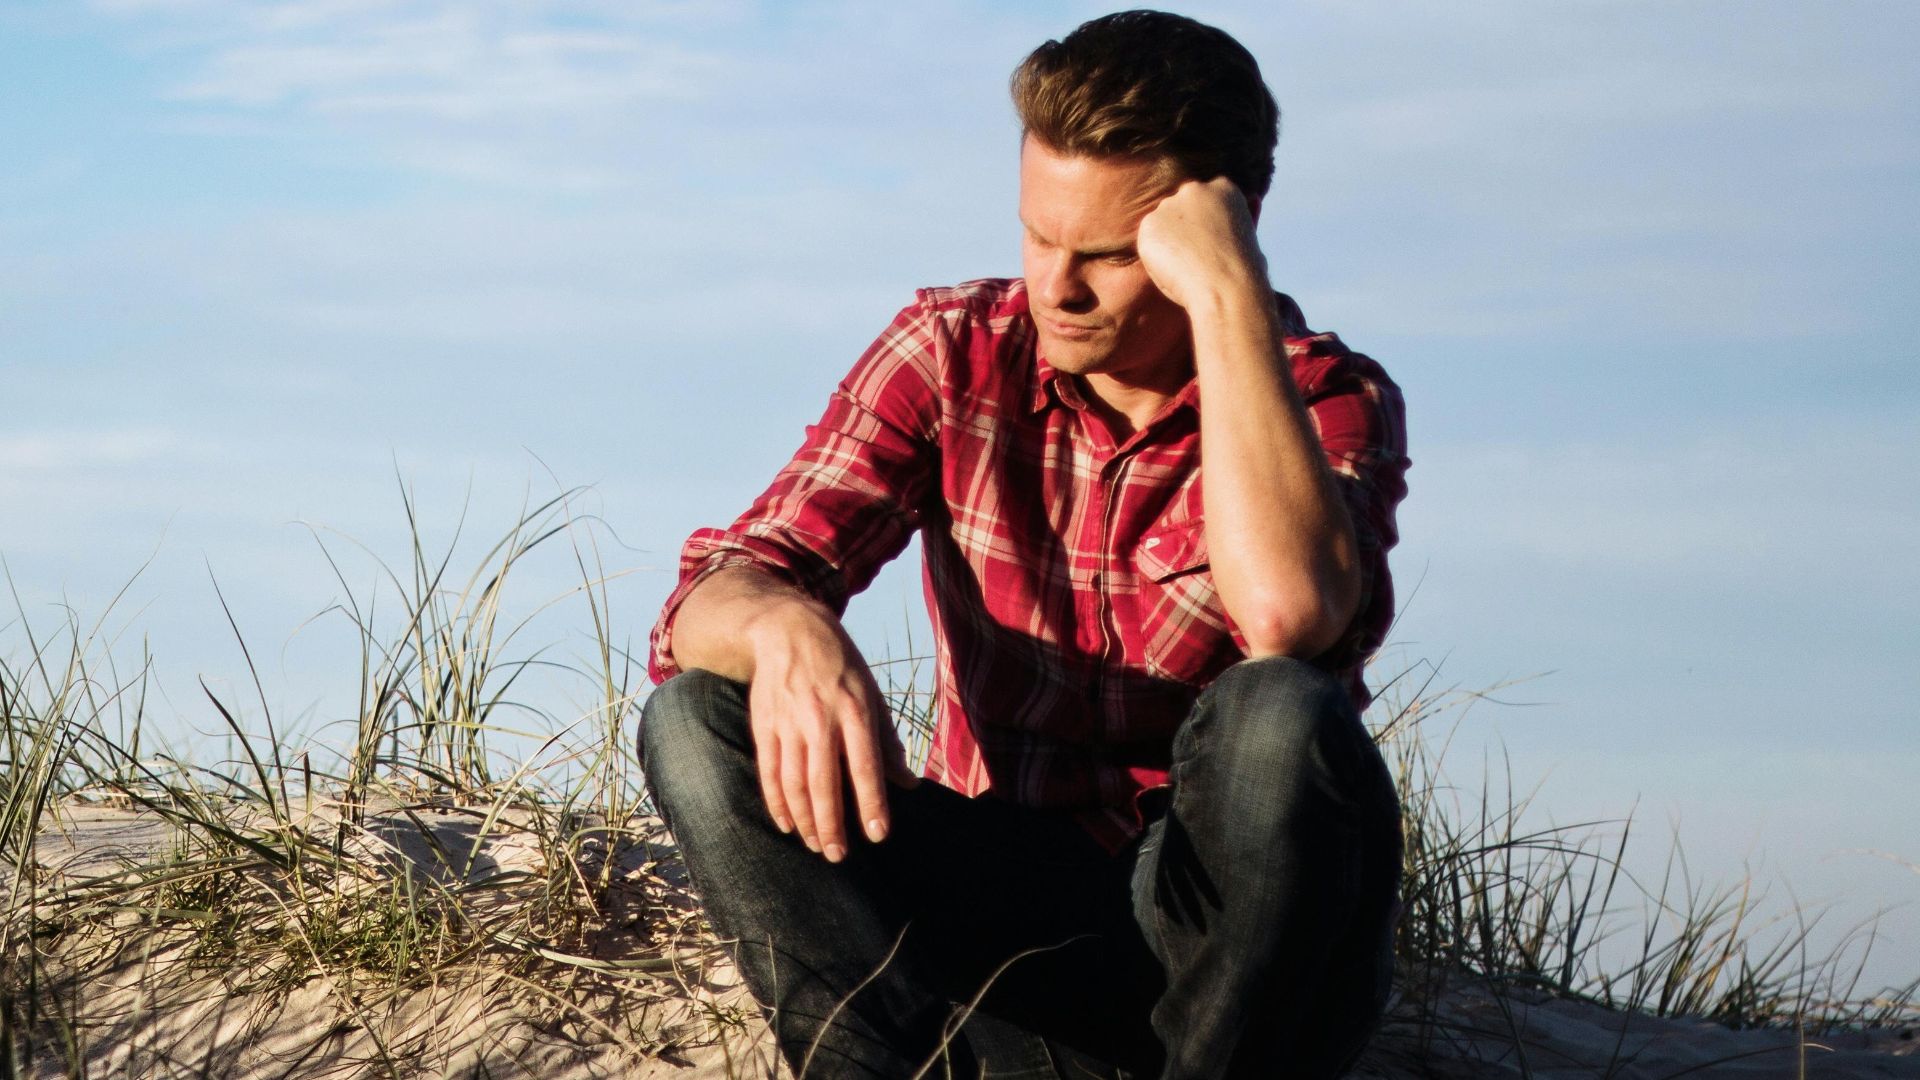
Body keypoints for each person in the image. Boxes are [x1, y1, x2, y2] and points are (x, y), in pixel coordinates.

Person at [638, 10, 1410, 1078]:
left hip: (1236, 944)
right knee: (696, 716)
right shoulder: (955, 350)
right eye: (1039, 236)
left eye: (1103, 254)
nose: (1057, 286)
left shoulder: (1329, 398)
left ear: (1222, 225)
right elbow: (711, 595)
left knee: (1280, 714)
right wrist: (780, 626)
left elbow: (1289, 618)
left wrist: (1231, 296)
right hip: (1009, 900)